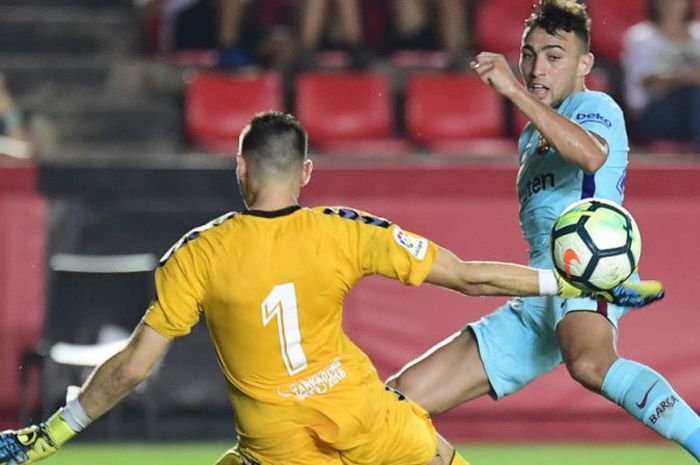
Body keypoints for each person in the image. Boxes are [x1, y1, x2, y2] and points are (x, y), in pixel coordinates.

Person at [0, 112, 662, 465]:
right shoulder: (347, 232)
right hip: (370, 421)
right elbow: (468, 275)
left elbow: (129, 370)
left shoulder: (196, 255)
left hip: (277, 449)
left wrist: (53, 432)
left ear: (241, 167)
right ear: (307, 171)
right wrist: (567, 278)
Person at [386, 0, 700, 460]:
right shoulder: (531, 135)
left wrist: (513, 92)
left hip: (584, 273)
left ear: (583, 64)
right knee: (397, 401)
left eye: (554, 56)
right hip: (538, 290)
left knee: (591, 363)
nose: (537, 68)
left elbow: (592, 156)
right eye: (528, 55)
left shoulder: (593, 104)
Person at [621, 0, 700, 150]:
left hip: (691, 114)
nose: (670, 6)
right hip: (653, 113)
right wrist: (688, 76)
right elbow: (647, 81)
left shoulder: (698, 36)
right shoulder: (641, 37)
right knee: (695, 92)